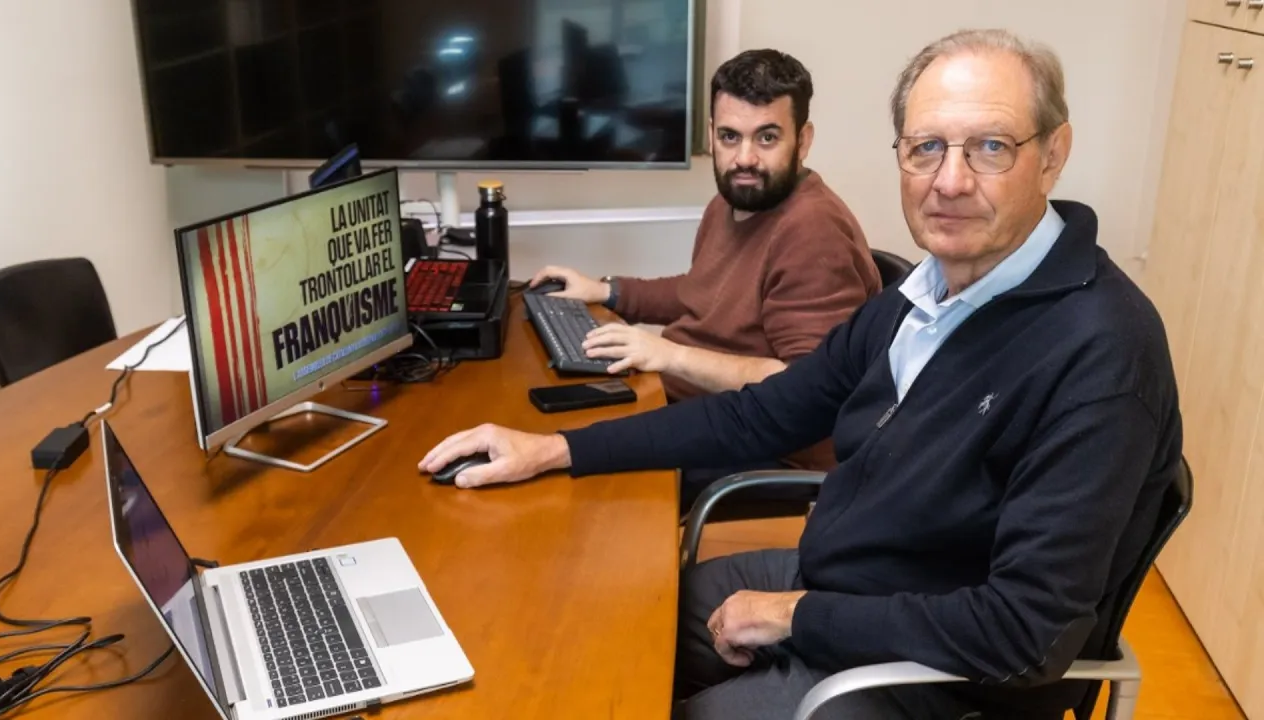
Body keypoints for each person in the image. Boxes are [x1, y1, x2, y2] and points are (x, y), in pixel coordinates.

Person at [420, 28, 1183, 720]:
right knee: (613, 625)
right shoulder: (921, 299)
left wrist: (794, 615)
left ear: (1053, 153)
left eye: (989, 147)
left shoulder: (1101, 353)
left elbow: (1021, 634)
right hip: (846, 582)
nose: (948, 181)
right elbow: (758, 415)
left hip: (936, 677)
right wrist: (554, 449)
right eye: (925, 148)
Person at [530, 49, 882, 512]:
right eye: (730, 136)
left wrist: (670, 355)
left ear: (804, 140)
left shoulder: (812, 232)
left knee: (577, 495)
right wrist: (607, 290)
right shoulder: (732, 201)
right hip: (692, 410)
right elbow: (700, 292)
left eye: (767, 137)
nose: (745, 158)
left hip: (769, 454)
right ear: (712, 136)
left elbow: (806, 389)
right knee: (546, 424)